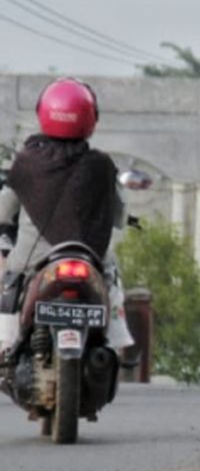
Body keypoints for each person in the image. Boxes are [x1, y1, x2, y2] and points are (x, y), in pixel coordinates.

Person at [0, 78, 136, 356]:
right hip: (91, 259)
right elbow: (120, 217)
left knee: (8, 281)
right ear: (91, 118)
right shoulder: (101, 165)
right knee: (111, 279)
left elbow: (3, 211)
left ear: (43, 113)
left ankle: (6, 344)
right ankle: (118, 341)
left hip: (32, 262)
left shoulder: (27, 162)